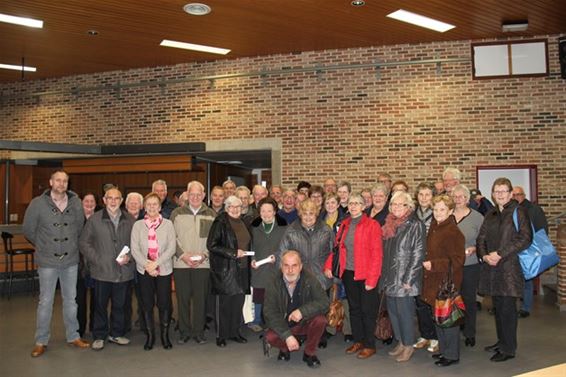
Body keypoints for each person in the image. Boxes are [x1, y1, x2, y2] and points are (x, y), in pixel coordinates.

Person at [23, 170, 90, 357]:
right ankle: (41, 340)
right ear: (51, 182)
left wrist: (70, 246)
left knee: (71, 301)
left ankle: (73, 336)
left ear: (68, 184)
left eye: (65, 181)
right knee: (45, 302)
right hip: (47, 261)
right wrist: (44, 245)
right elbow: (28, 229)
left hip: (70, 260)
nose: (61, 184)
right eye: (58, 180)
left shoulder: (76, 202)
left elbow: (80, 228)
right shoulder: (37, 203)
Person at [477, 178, 532, 362]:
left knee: (508, 310)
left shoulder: (518, 211)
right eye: (496, 191)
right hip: (492, 269)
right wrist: (484, 255)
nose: (500, 194)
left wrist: (499, 254)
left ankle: (508, 349)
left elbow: (525, 238)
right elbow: (481, 237)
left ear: (510, 193)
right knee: (498, 308)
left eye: (503, 191)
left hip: (509, 268)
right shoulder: (491, 213)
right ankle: (501, 342)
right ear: (492, 194)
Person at [323, 194, 383, 359]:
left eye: (358, 203)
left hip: (366, 275)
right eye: (351, 203)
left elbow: (377, 255)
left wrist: (372, 279)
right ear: (347, 206)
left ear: (364, 207)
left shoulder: (372, 225)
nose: (354, 206)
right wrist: (328, 265)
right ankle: (358, 341)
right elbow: (337, 249)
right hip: (348, 273)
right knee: (354, 310)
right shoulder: (345, 224)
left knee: (367, 311)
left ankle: (369, 344)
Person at [79, 187, 135, 351]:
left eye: (116, 198)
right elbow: (84, 243)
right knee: (100, 306)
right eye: (109, 198)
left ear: (121, 200)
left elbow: (136, 243)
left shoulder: (130, 219)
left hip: (123, 272)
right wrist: (98, 260)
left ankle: (116, 334)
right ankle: (99, 335)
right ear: (104, 200)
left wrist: (129, 257)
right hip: (101, 272)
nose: (113, 201)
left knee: (120, 305)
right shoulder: (94, 220)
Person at [278, 198, 334, 348]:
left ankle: (320, 336)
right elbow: (282, 254)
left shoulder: (326, 230)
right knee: (300, 307)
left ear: (316, 214)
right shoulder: (291, 230)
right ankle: (299, 335)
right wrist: (284, 276)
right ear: (300, 214)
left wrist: (330, 270)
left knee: (320, 309)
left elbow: (332, 253)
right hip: (298, 277)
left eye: (311, 213)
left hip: (321, 276)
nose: (308, 217)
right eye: (305, 213)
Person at [380, 191, 425, 362]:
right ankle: (400, 341)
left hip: (405, 279)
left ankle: (409, 345)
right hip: (391, 277)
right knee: (393, 313)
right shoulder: (390, 223)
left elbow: (418, 253)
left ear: (409, 206)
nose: (397, 207)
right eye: (394, 204)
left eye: (401, 204)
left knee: (405, 314)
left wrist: (409, 278)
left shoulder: (415, 224)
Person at [264, 250, 329, 369]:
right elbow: (269, 313)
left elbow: (324, 302)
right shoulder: (273, 282)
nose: (290, 270)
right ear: (281, 266)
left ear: (300, 267)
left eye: (294, 265)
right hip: (284, 324)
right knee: (270, 337)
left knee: (321, 321)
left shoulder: (310, 279)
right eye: (286, 266)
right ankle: (284, 349)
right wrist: (287, 336)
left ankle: (309, 353)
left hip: (305, 322)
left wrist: (302, 312)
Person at [421, 195, 465, 367]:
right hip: (433, 281)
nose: (438, 213)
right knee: (438, 318)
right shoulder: (434, 226)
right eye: (435, 209)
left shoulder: (453, 232)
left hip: (447, 283)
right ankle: (444, 350)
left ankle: (452, 355)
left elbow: (457, 261)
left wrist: (433, 264)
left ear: (450, 211)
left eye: (442, 210)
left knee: (448, 321)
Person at [171, 181, 217, 345]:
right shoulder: (177, 213)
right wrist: (183, 255)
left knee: (200, 299)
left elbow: (214, 240)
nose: (196, 197)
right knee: (182, 299)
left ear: (204, 195)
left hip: (203, 264)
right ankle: (184, 332)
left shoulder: (211, 214)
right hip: (181, 263)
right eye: (192, 194)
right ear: (187, 195)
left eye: (199, 194)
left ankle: (199, 332)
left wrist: (204, 256)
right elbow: (171, 238)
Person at [130, 193, 176, 350]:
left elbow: (171, 248)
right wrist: (147, 266)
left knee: (164, 304)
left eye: (155, 204)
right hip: (144, 271)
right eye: (148, 204)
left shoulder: (168, 224)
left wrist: (156, 263)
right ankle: (150, 336)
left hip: (163, 269)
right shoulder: (138, 225)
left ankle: (164, 336)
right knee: (147, 304)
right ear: (144, 206)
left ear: (160, 206)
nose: (151, 207)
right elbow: (135, 249)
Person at [207, 195, 251, 347]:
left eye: (238, 206)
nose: (235, 209)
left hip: (243, 268)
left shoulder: (244, 222)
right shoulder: (220, 222)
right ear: (226, 208)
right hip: (225, 270)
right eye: (231, 206)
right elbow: (212, 245)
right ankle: (221, 335)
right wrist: (233, 253)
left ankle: (234, 332)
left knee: (237, 302)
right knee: (223, 304)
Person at [249, 198, 287, 332]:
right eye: (263, 211)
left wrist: (277, 257)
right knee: (259, 295)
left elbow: (286, 247)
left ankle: (274, 321)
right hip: (258, 267)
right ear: (259, 212)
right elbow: (250, 246)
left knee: (274, 296)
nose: (266, 214)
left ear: (275, 212)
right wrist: (252, 259)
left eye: (269, 211)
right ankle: (256, 320)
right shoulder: (254, 227)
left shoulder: (283, 227)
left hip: (276, 267)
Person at [452, 184, 484, 347]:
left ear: (467, 199)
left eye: (461, 196)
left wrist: (476, 248)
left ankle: (470, 332)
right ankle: (454, 329)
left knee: (469, 300)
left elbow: (484, 240)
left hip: (470, 265)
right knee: (452, 299)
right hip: (450, 266)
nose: (458, 199)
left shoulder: (477, 218)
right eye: (455, 196)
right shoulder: (446, 215)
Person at [512, 185, 549, 318]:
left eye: (519, 194)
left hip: (529, 250)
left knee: (527, 280)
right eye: (513, 195)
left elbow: (542, 230)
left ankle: (525, 308)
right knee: (512, 280)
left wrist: (537, 250)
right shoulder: (510, 210)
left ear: (524, 195)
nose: (516, 197)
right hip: (513, 250)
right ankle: (510, 308)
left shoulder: (535, 210)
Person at [413, 182, 437, 353]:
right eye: (421, 194)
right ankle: (425, 334)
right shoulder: (413, 215)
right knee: (420, 302)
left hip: (432, 264)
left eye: (427, 194)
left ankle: (435, 337)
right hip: (416, 264)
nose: (423, 198)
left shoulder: (438, 214)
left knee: (432, 302)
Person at [76, 192, 99, 338]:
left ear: (96, 204)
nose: (89, 204)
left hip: (96, 264)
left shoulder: (99, 219)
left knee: (97, 299)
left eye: (92, 201)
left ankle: (95, 326)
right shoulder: (76, 220)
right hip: (79, 265)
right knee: (79, 299)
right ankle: (79, 328)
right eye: (86, 201)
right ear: (81, 203)